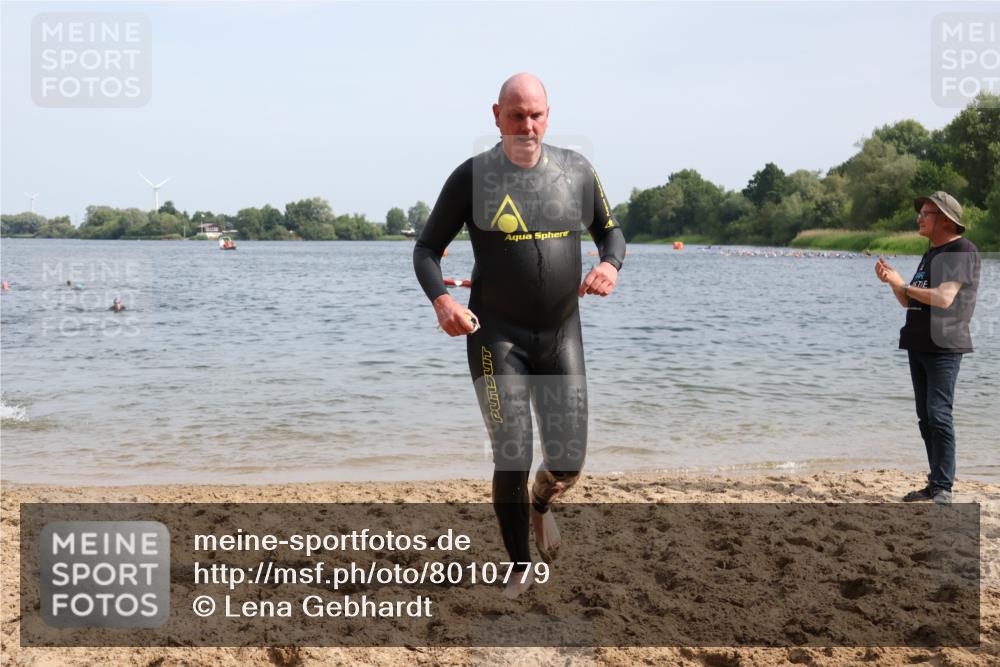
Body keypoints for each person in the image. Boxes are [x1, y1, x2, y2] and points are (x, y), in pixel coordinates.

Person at [413, 73, 625, 598]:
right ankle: (520, 566)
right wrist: (443, 301)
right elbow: (426, 250)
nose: (527, 126)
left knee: (568, 463)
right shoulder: (472, 177)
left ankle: (541, 503)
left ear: (548, 115)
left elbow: (611, 232)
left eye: (536, 115)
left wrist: (610, 264)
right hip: (496, 336)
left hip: (560, 333)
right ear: (496, 116)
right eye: (516, 115)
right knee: (512, 454)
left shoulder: (576, 170)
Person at [875, 191, 980, 505]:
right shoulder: (932, 252)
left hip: (944, 344)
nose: (919, 218)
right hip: (918, 342)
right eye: (920, 213)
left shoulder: (961, 250)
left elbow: (944, 298)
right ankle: (935, 483)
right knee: (925, 417)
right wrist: (894, 282)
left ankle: (943, 487)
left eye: (926, 213)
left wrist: (904, 285)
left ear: (945, 219)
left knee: (938, 414)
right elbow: (909, 301)